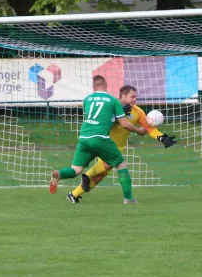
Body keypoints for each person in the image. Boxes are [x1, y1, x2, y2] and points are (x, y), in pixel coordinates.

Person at [67, 85, 176, 203]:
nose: (134, 99)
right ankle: (88, 177)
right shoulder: (111, 106)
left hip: (118, 147)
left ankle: (73, 194)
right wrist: (114, 116)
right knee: (110, 165)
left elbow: (148, 128)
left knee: (99, 177)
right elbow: (102, 122)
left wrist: (161, 138)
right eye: (132, 97)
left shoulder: (138, 112)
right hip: (104, 143)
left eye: (136, 97)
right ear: (123, 96)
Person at [49, 75, 147, 204]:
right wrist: (139, 131)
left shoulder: (87, 100)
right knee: (121, 164)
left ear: (93, 87)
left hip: (84, 138)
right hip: (101, 138)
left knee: (76, 170)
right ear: (106, 86)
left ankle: (59, 174)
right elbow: (124, 124)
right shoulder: (113, 100)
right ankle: (129, 199)